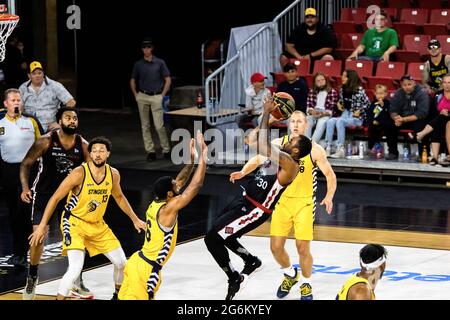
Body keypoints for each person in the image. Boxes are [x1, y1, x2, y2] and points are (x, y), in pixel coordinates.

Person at [205, 104, 312, 300]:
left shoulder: (290, 165)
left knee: (212, 238)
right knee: (222, 234)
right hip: (244, 199)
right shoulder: (281, 151)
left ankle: (234, 278)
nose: (289, 139)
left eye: (293, 141)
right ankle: (251, 260)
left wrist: (266, 112)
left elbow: (262, 143)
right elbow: (252, 139)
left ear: (296, 150)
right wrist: (269, 117)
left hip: (255, 210)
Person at [28, 136, 146, 300]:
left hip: (97, 224)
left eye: (101, 151)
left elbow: (119, 197)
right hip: (74, 223)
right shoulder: (79, 173)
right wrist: (41, 226)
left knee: (121, 263)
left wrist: (135, 219)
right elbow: (55, 198)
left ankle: (117, 296)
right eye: (94, 151)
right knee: (75, 268)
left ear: (108, 154)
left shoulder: (113, 174)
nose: (98, 154)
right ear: (89, 154)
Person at [118, 132, 207, 300]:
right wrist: (204, 157)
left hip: (137, 262)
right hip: (145, 270)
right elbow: (195, 186)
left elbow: (180, 181)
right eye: (174, 185)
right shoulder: (167, 209)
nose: (177, 183)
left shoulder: (156, 204)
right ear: (169, 194)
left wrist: (191, 161)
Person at [20, 107, 91, 300]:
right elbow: (26, 163)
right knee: (38, 237)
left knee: (77, 237)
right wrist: (25, 188)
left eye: (75, 118)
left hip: (69, 197)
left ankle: (77, 279)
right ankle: (32, 277)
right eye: (68, 118)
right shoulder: (45, 140)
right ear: (59, 121)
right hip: (44, 194)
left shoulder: (83, 144)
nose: (72, 121)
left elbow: (90, 170)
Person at [270, 110, 337, 300]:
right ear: (289, 124)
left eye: (300, 121)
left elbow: (330, 175)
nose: (296, 124)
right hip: (282, 203)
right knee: (275, 248)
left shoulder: (315, 149)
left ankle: (306, 284)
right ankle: (290, 274)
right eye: (293, 121)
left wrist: (329, 196)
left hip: (305, 204)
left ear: (306, 124)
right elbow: (259, 157)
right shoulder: (279, 145)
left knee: (302, 248)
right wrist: (243, 172)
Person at [0, 89, 40, 268]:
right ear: (6, 104)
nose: (17, 103)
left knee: (24, 212)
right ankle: (18, 251)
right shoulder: (0, 123)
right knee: (13, 212)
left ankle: (23, 252)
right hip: (9, 171)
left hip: (30, 171)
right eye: (13, 100)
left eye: (19, 100)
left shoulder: (31, 121)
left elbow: (43, 144)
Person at [130, 38, 171, 162]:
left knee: (159, 126)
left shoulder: (159, 63)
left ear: (151, 48)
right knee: (145, 125)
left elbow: (167, 79)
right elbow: (132, 79)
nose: (146, 50)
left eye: (148, 47)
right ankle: (150, 151)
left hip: (156, 96)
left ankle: (166, 149)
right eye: (144, 48)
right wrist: (136, 95)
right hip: (143, 95)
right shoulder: (138, 64)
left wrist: (162, 95)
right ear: (142, 49)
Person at [19, 61, 76, 132]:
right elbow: (19, 107)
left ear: (43, 73)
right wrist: (19, 122)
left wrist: (61, 122)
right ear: (29, 75)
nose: (37, 76)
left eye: (40, 73)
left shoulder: (55, 86)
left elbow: (71, 102)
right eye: (34, 74)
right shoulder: (23, 88)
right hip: (29, 126)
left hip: (50, 127)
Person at [383, 75, 430, 160]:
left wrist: (403, 119)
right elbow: (393, 109)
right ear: (401, 85)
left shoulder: (422, 93)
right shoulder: (399, 93)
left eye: (409, 84)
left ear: (414, 84)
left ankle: (423, 154)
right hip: (402, 120)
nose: (407, 87)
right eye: (404, 85)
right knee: (388, 124)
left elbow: (422, 113)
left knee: (422, 123)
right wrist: (396, 118)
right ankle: (392, 153)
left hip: (416, 119)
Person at [325, 70, 370, 158]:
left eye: (345, 76)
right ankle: (328, 147)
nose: (342, 78)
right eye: (342, 75)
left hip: (357, 118)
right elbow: (342, 101)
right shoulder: (342, 89)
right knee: (330, 121)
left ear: (351, 78)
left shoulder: (359, 90)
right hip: (345, 114)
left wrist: (360, 110)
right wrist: (339, 103)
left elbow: (368, 105)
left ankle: (340, 149)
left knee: (340, 121)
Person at [412, 74, 450, 165]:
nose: (447, 85)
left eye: (449, 82)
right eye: (444, 82)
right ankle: (435, 158)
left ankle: (421, 133)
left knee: (442, 118)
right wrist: (440, 112)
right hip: (439, 121)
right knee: (436, 127)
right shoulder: (438, 95)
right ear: (442, 84)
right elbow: (432, 111)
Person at [305, 72, 339, 143]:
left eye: (322, 80)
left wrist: (322, 114)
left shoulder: (332, 92)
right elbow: (309, 107)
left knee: (321, 122)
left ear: (326, 81)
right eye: (318, 81)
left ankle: (312, 144)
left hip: (326, 113)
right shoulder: (312, 91)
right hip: (315, 112)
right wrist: (312, 112)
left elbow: (331, 110)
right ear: (315, 83)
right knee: (307, 120)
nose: (321, 82)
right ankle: (306, 142)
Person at [367, 84, 391, 155]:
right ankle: (371, 147)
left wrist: (382, 106)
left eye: (381, 93)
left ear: (386, 94)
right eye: (378, 93)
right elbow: (370, 114)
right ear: (375, 93)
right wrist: (372, 121)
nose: (379, 95)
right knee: (371, 129)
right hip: (374, 123)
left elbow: (387, 115)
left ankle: (377, 146)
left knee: (379, 129)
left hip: (383, 123)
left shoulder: (387, 103)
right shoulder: (373, 103)